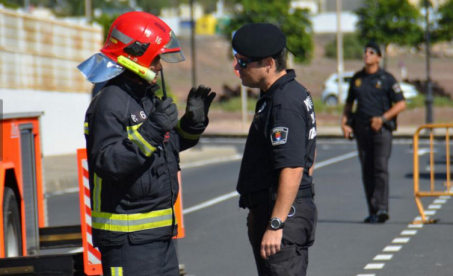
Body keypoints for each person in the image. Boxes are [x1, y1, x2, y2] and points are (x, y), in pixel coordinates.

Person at [77, 12, 216, 276]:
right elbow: (109, 162)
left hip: (157, 237)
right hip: (128, 242)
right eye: (155, 59)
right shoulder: (110, 103)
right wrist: (152, 128)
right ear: (135, 57)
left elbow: (164, 147)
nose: (160, 67)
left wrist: (191, 125)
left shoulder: (144, 98)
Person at [233, 23, 317, 276]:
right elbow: (308, 156)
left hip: (282, 216)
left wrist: (276, 222)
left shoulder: (283, 103)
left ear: (268, 63)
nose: (237, 69)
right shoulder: (287, 93)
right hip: (281, 210)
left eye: (244, 63)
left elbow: (293, 166)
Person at [341, 42, 406, 224]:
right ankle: (373, 210)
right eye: (365, 52)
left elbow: (401, 103)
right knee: (367, 170)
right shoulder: (357, 78)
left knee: (380, 168)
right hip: (362, 130)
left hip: (381, 131)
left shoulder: (387, 78)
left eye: (371, 52)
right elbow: (348, 104)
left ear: (378, 57)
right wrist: (344, 123)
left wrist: (383, 119)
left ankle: (383, 208)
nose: (367, 55)